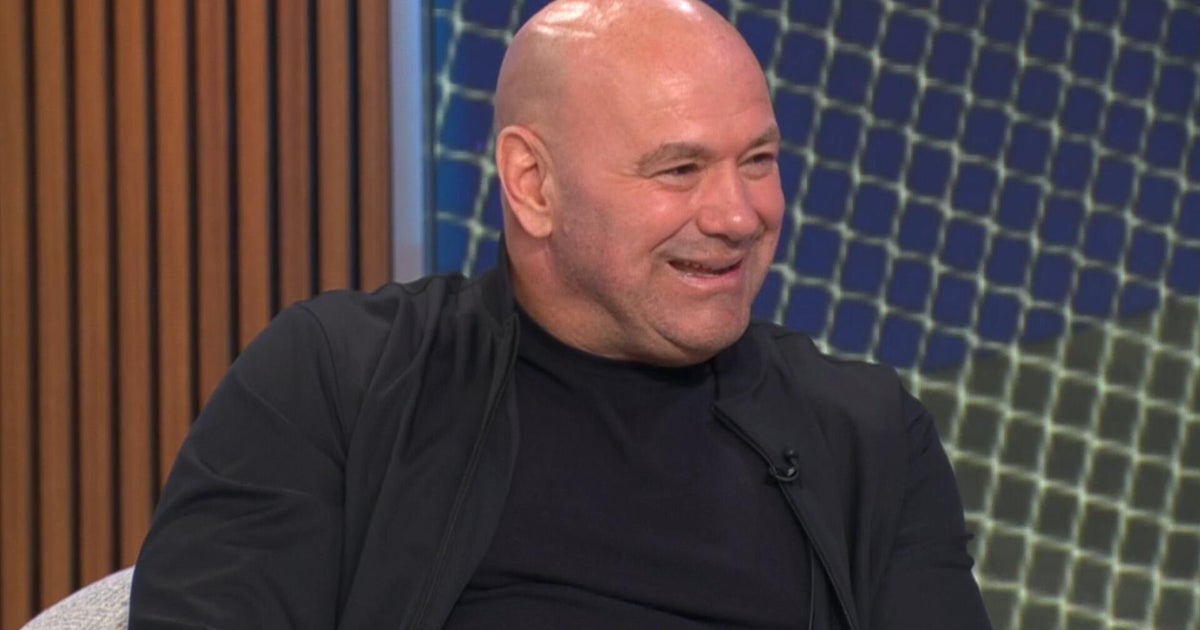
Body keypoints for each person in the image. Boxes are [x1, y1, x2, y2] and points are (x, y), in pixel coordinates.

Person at [129, 1, 991, 628]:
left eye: (759, 160)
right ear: (533, 185)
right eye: (680, 170)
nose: (739, 214)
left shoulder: (868, 436)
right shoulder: (338, 383)